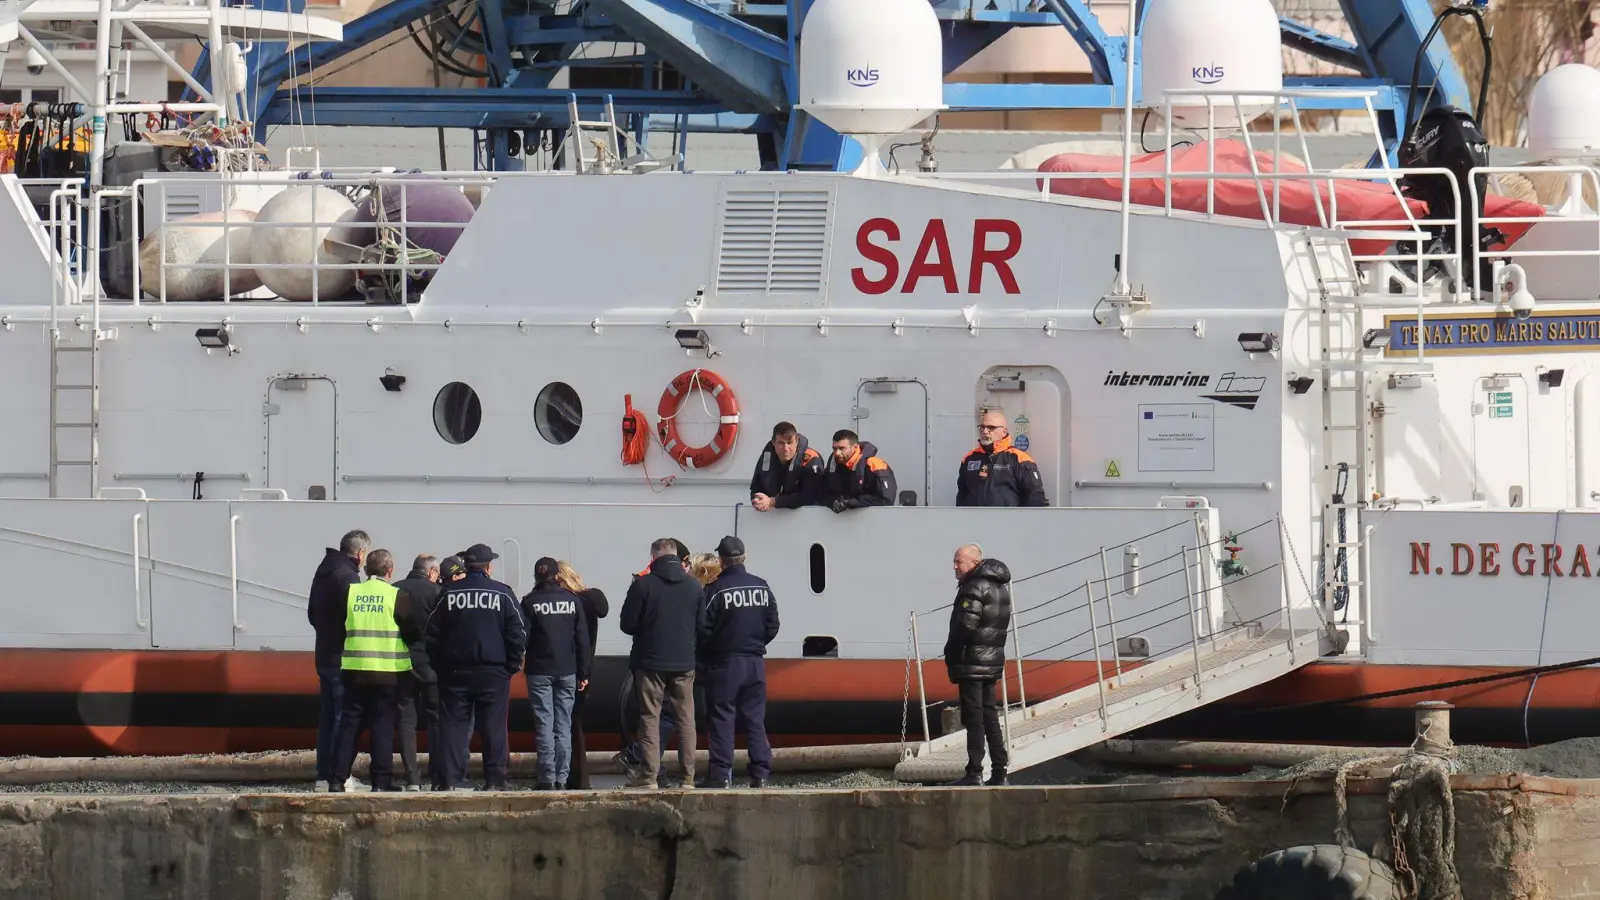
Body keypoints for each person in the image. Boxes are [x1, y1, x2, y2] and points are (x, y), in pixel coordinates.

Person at [424, 543, 526, 791]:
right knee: (494, 728)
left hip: (455, 673)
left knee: (453, 728)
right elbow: (518, 632)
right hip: (494, 673)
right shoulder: (502, 593)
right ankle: (495, 781)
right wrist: (511, 666)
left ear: (466, 566)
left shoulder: (449, 593)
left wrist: (441, 666)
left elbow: (431, 634)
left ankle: (450, 781)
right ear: (489, 567)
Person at [329, 549, 421, 793]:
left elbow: (338, 627)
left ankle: (337, 780)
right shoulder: (396, 595)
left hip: (354, 669)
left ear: (367, 569)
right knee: (382, 727)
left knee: (350, 726)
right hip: (387, 672)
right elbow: (413, 632)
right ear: (389, 571)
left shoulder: (351, 593)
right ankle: (380, 782)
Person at [619, 537, 702, 789]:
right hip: (684, 663)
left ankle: (649, 777)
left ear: (653, 558)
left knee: (650, 717)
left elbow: (627, 625)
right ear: (677, 556)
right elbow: (703, 626)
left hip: (650, 662)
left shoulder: (643, 586)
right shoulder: (694, 586)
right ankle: (688, 778)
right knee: (686, 720)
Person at [697, 536, 779, 789]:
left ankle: (721, 775)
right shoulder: (762, 587)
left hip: (725, 663)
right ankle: (761, 774)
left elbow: (702, 629)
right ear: (744, 557)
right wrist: (755, 644)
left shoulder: (714, 590)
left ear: (720, 561)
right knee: (755, 719)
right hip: (755, 662)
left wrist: (712, 652)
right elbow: (773, 625)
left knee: (722, 717)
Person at [942, 543, 1013, 787]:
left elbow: (965, 626)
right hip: (991, 661)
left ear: (974, 563)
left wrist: (950, 651)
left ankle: (974, 772)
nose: (954, 566)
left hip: (972, 662)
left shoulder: (973, 586)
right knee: (990, 716)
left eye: (958, 561)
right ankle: (1000, 772)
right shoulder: (1000, 588)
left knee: (974, 719)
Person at [308, 529, 370, 792]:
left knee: (328, 716)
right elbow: (354, 617)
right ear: (360, 553)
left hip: (324, 652)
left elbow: (313, 614)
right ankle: (339, 776)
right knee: (341, 718)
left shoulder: (324, 572)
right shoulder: (348, 577)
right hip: (342, 656)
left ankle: (324, 775)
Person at [521, 557, 590, 790]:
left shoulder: (530, 602)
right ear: (557, 576)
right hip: (567, 670)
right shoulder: (572, 600)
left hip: (539, 671)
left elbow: (524, 639)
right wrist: (584, 672)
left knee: (544, 725)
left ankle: (547, 779)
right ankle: (562, 778)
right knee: (563, 725)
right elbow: (582, 639)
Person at [556, 561, 608, 789]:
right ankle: (578, 777)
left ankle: (567, 775)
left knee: (564, 723)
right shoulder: (589, 601)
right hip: (585, 669)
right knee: (574, 722)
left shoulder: (567, 603)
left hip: (566, 668)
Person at [392, 553, 442, 791]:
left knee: (406, 720)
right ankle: (437, 775)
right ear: (431, 572)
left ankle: (412, 778)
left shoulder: (395, 589)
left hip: (400, 662)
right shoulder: (436, 592)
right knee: (435, 718)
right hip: (431, 663)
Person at [956, 409, 1049, 508]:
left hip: (1008, 521)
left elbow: (1035, 499)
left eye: (991, 427)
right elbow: (962, 495)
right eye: (982, 427)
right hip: (975, 521)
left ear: (1004, 431)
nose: (985, 431)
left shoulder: (1020, 459)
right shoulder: (969, 458)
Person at [749, 421, 824, 511]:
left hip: (808, 517)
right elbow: (755, 487)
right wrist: (758, 500)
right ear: (773, 443)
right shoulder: (767, 457)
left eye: (789, 443)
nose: (785, 448)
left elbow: (809, 496)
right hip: (772, 518)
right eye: (781, 443)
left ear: (797, 441)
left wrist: (773, 502)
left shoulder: (811, 460)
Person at [819, 429, 897, 512]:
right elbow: (822, 495)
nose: (837, 453)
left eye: (842, 448)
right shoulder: (832, 467)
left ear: (855, 447)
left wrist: (851, 503)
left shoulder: (874, 465)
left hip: (872, 520)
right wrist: (833, 502)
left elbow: (885, 499)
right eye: (835, 448)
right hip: (839, 522)